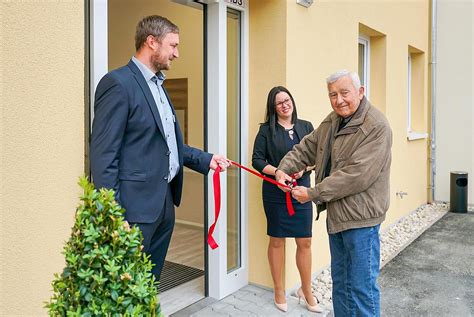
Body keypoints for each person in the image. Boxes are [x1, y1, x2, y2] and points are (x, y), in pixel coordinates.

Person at [90, 15, 229, 280]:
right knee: (125, 287)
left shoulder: (159, 86)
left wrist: (207, 159)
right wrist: (114, 216)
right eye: (173, 45)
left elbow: (168, 145)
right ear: (151, 42)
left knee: (148, 284)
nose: (176, 54)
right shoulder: (118, 84)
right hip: (132, 211)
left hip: (164, 204)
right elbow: (103, 155)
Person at [275, 70, 392, 316]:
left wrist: (313, 193)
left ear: (360, 92)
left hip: (361, 221)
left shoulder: (376, 126)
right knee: (342, 285)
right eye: (332, 95)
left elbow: (356, 175)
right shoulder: (333, 120)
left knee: (361, 289)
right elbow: (307, 147)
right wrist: (283, 169)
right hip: (337, 219)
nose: (338, 100)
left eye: (344, 93)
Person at [252, 86, 323, 313]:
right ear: (273, 108)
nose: (285, 105)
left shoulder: (306, 127)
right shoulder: (266, 131)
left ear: (292, 101)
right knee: (277, 240)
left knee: (305, 241)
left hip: (302, 191)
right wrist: (279, 172)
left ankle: (306, 290)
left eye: (287, 100)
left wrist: (303, 169)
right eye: (279, 102)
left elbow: (318, 157)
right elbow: (257, 160)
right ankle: (279, 290)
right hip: (275, 192)